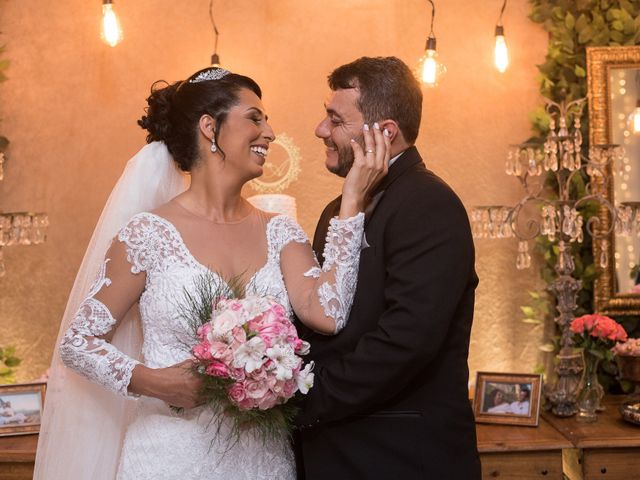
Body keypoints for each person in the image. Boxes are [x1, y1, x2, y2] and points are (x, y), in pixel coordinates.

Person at [34, 67, 389, 480]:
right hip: (168, 457)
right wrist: (155, 382)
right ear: (210, 127)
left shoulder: (282, 231)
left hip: (261, 459)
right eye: (255, 118)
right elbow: (77, 342)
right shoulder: (148, 234)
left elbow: (328, 313)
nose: (270, 132)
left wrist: (351, 203)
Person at [294, 56, 481, 479]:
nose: (321, 130)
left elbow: (405, 341)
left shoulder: (429, 204)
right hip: (338, 451)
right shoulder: (337, 210)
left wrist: (304, 396)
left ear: (385, 132)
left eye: (334, 119)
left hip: (399, 457)